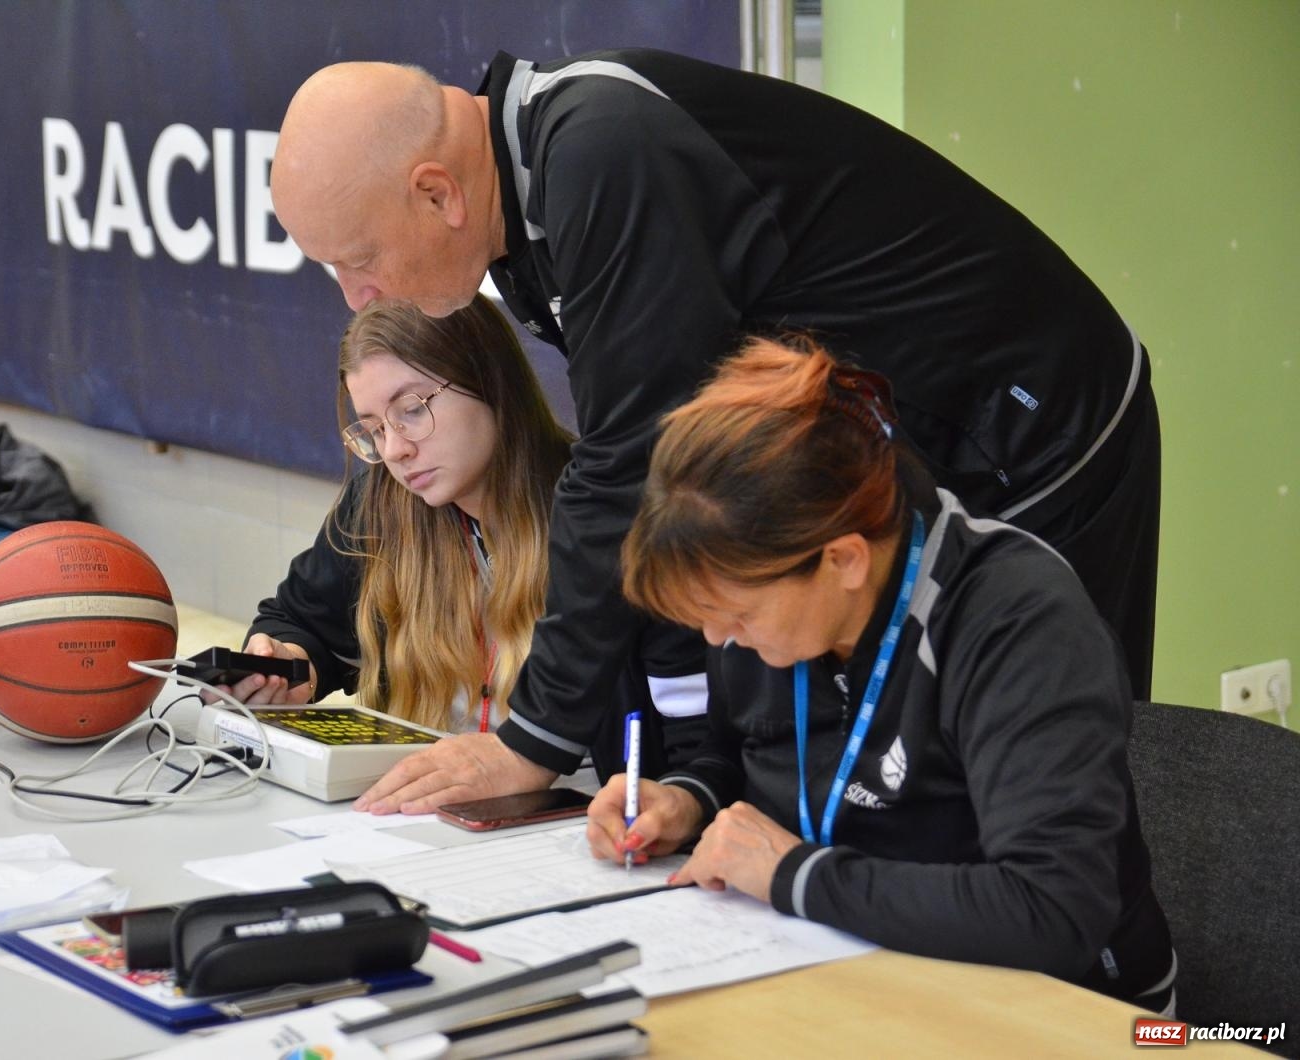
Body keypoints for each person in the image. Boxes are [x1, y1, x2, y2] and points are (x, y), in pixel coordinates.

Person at [270, 49, 1160, 812]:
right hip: (900, 449)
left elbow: (630, 464)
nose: (356, 297)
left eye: (359, 260)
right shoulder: (538, 185)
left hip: (1037, 431)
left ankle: (1117, 1012)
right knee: (898, 790)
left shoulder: (604, 151)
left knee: (1042, 778)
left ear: (437, 193)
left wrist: (532, 740)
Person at [584, 336, 1176, 1012]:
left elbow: (1052, 911)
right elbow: (738, 750)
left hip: (1060, 1009)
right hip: (838, 964)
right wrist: (687, 801)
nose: (719, 640)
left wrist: (791, 873)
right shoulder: (764, 593)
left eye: (736, 616)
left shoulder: (1019, 622)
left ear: (843, 560)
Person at [234, 296, 705, 785]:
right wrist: (291, 663)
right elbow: (297, 619)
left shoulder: (600, 517)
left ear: (488, 382)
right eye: (373, 430)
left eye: (412, 410)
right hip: (421, 808)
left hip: (573, 820)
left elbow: (694, 740)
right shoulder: (383, 503)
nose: (396, 450)